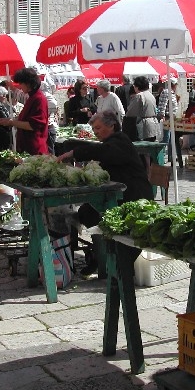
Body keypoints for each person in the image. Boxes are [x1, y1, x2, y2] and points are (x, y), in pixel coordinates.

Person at [57, 110, 153, 275]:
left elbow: (101, 151)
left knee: (91, 214)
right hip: (118, 193)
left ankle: (106, 260)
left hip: (134, 196)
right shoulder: (112, 142)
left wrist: (74, 152)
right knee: (86, 212)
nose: (96, 132)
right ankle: (100, 255)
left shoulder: (120, 141)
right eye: (94, 129)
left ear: (112, 125)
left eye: (99, 128)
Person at [0, 67, 49, 155]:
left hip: (35, 149)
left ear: (28, 83)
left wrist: (11, 122)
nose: (20, 86)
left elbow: (33, 125)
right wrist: (12, 120)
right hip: (27, 148)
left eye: (21, 83)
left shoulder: (39, 99)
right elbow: (26, 118)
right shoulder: (32, 97)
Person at [124, 76, 159, 143]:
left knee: (142, 149)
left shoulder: (139, 96)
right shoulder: (150, 95)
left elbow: (131, 112)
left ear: (137, 86)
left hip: (144, 125)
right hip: (153, 123)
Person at [41, 81, 58, 155]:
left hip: (47, 127)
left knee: (49, 152)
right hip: (49, 126)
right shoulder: (50, 96)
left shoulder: (44, 96)